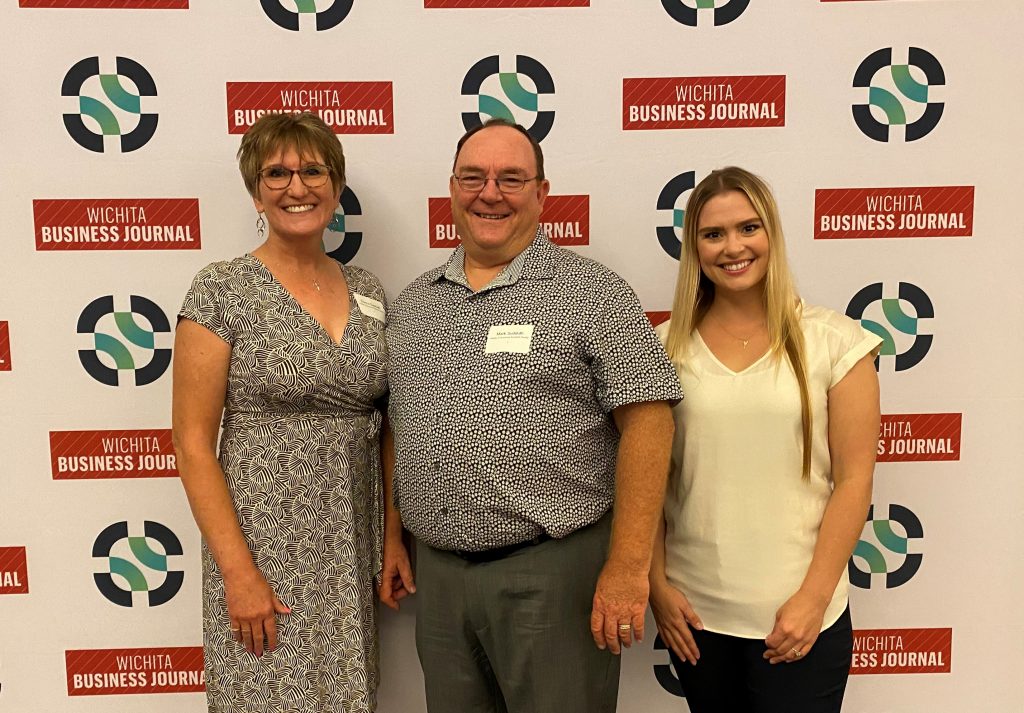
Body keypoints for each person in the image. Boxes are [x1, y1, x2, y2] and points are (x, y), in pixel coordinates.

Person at [379, 118, 683, 713]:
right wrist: (393, 533)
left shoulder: (592, 292)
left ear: (542, 194)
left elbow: (650, 422)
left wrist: (628, 567)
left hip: (553, 572)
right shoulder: (414, 302)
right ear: (452, 189)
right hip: (439, 580)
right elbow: (398, 423)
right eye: (474, 177)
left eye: (511, 179)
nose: (489, 193)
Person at [172, 112, 388, 713]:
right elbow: (192, 444)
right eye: (277, 173)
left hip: (348, 546)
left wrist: (390, 541)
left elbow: (388, 423)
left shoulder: (367, 288)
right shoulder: (220, 289)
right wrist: (239, 575)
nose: (298, 187)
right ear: (255, 191)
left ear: (337, 188)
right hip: (262, 547)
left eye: (314, 171)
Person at [650, 166, 881, 712]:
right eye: (714, 234)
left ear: (771, 233)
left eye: (748, 228)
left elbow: (854, 479)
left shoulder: (835, 341)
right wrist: (657, 587)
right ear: (695, 248)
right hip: (696, 623)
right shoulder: (662, 349)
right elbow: (648, 483)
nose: (734, 247)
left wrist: (812, 598)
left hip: (800, 620)